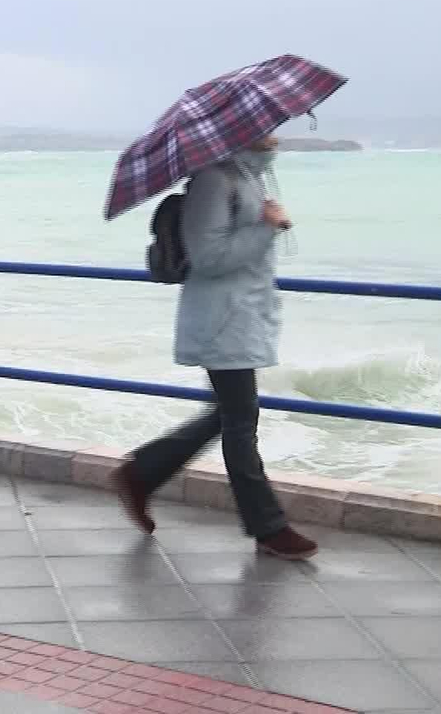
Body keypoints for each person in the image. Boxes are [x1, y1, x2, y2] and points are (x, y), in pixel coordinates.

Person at [112, 135, 318, 560]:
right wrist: (267, 227)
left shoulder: (249, 177)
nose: (277, 129)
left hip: (242, 314)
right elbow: (208, 257)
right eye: (270, 123)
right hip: (222, 319)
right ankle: (268, 526)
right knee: (240, 420)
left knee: (229, 414)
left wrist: (266, 224)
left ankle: (142, 472)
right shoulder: (213, 179)